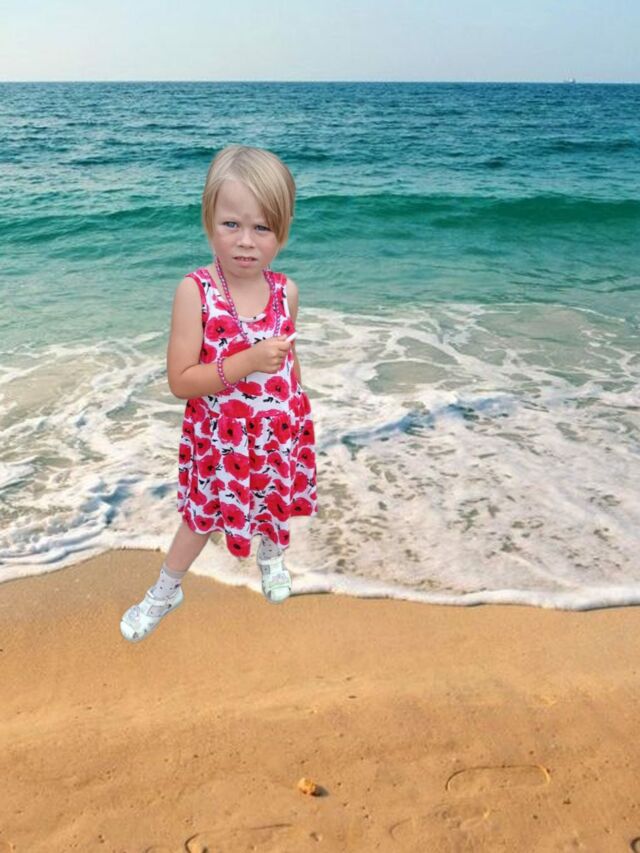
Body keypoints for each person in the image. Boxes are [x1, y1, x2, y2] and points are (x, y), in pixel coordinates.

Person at [120, 145, 319, 643]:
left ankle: (270, 557)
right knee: (200, 519)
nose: (246, 241)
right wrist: (247, 361)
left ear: (283, 232)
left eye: (262, 228)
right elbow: (181, 380)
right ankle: (165, 591)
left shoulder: (286, 291)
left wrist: (298, 406)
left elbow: (288, 358)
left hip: (276, 431)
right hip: (220, 441)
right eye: (231, 224)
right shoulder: (196, 291)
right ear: (208, 220)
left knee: (273, 500)